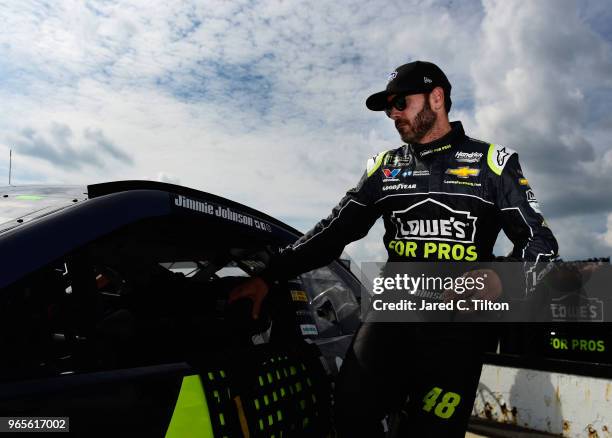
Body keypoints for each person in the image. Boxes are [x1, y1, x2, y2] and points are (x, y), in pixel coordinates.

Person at [230, 60, 559, 436]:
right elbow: (332, 233)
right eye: (388, 108)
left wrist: (498, 279)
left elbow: (543, 247)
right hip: (392, 316)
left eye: (401, 102)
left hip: (457, 332)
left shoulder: (493, 164)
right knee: (350, 415)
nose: (393, 114)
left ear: (436, 98)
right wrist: (269, 275)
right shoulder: (385, 169)